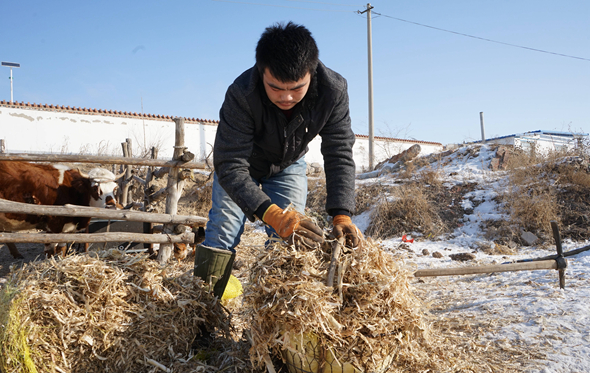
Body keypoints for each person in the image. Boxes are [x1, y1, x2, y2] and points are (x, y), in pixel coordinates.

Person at [194, 22, 361, 299]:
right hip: (241, 168)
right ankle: (203, 315)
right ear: (261, 72)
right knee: (221, 236)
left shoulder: (333, 91)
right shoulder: (241, 94)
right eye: (275, 87)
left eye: (297, 88)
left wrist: (342, 214)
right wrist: (271, 214)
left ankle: (277, 325)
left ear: (312, 70)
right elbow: (229, 164)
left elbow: (339, 151)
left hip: (288, 166)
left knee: (291, 243)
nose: (286, 97)